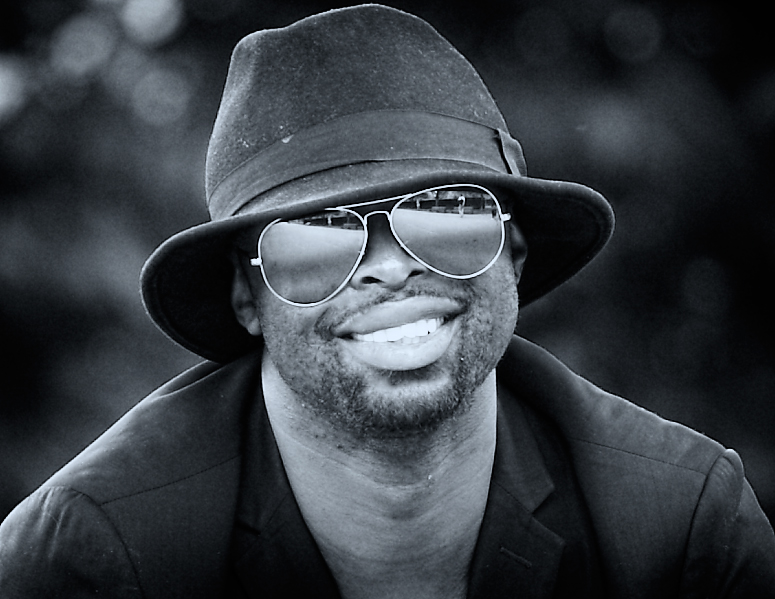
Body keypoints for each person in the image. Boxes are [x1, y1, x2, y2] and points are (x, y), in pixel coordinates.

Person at [0, 5, 773, 598]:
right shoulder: (95, 553)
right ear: (246, 293)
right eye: (315, 236)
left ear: (514, 249)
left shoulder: (677, 524)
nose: (390, 269)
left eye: (444, 212)